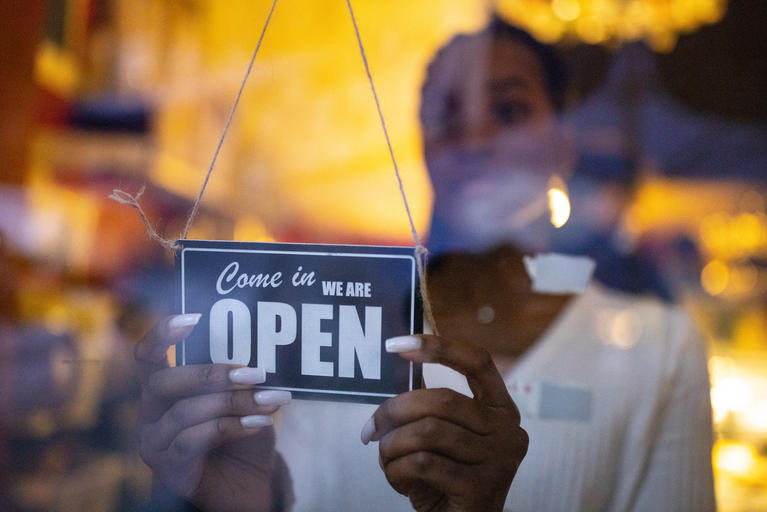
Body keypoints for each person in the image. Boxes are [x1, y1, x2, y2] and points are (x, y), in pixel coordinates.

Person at [135, 16, 715, 512]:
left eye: (509, 110)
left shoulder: (657, 351)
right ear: (422, 144)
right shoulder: (337, 327)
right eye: (447, 114)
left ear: (561, 145)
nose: (475, 136)